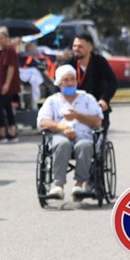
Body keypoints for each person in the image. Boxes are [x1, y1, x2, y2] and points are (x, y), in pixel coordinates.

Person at [36, 65, 103, 200]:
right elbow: (42, 122)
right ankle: (58, 186)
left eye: (72, 79)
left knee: (84, 146)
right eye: (66, 80)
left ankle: (79, 184)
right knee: (62, 144)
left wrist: (77, 116)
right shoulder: (52, 101)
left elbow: (98, 121)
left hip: (84, 136)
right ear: (59, 83)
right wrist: (62, 127)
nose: (70, 83)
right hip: (60, 136)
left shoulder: (87, 99)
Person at [66, 34, 116, 131]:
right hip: (74, 108)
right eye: (74, 46)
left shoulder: (100, 62)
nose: (76, 49)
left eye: (80, 46)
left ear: (90, 48)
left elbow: (112, 82)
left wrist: (104, 99)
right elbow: (58, 85)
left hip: (96, 107)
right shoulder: (68, 64)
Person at [0, 27, 21, 142]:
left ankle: (3, 133)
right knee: (7, 107)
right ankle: (12, 133)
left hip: (7, 84)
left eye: (1, 38)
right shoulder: (5, 50)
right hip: (5, 83)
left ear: (6, 38)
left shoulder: (9, 50)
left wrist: (6, 84)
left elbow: (11, 67)